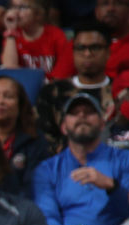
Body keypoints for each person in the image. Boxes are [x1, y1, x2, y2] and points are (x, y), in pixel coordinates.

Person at [34, 93, 129, 225]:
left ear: (102, 124)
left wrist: (111, 186)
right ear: (63, 127)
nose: (82, 116)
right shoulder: (47, 169)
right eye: (74, 113)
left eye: (89, 112)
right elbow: (47, 215)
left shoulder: (126, 160)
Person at [34, 21, 114, 151]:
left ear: (108, 52)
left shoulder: (122, 91)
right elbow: (44, 139)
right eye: (81, 48)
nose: (87, 54)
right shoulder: (52, 92)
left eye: (95, 48)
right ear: (73, 52)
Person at [0, 75, 50, 196]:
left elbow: (35, 186)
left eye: (8, 96)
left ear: (20, 105)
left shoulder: (35, 140)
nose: (0, 101)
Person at [0, 0, 73, 78]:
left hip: (50, 82)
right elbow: (9, 68)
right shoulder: (13, 35)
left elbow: (63, 68)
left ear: (38, 13)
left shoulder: (55, 35)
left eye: (22, 7)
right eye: (13, 7)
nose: (15, 12)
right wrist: (11, 32)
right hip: (23, 82)